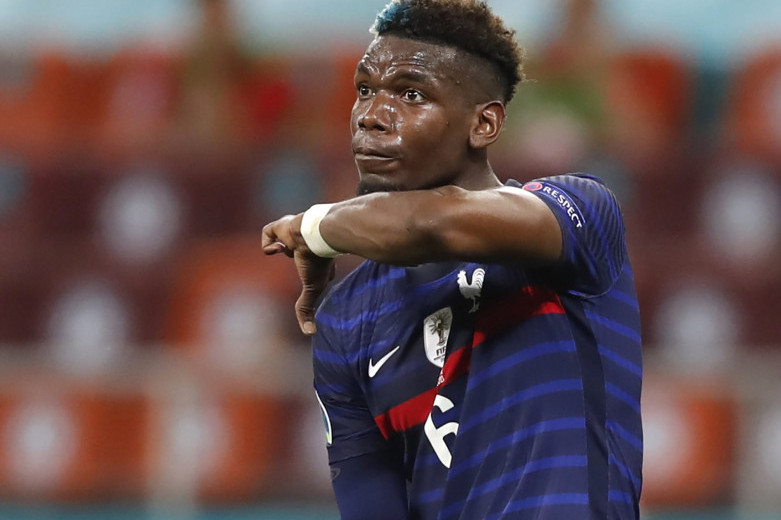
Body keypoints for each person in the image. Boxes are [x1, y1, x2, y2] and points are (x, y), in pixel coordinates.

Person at [262, 1, 642, 518]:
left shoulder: (577, 219)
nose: (371, 116)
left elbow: (437, 222)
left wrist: (313, 227)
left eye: (411, 94)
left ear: (484, 123)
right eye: (365, 90)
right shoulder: (344, 319)